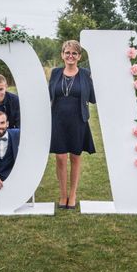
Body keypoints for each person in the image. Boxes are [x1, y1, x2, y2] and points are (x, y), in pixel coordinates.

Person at [48, 40, 96, 210]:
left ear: (79, 56)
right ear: (62, 55)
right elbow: (48, 96)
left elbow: (94, 98)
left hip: (78, 121)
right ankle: (62, 194)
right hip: (58, 120)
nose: (70, 56)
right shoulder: (55, 73)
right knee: (60, 158)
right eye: (67, 52)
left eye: (74, 53)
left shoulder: (85, 74)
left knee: (75, 157)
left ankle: (73, 194)